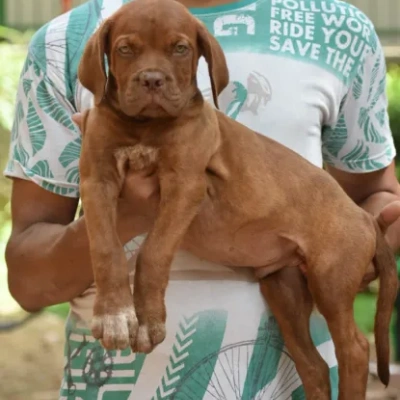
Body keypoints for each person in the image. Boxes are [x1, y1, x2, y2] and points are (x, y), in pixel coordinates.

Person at [4, 0, 400, 398]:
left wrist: (364, 244)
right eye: (127, 50)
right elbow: (27, 283)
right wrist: (129, 210)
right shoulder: (63, 42)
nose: (152, 74)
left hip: (284, 376)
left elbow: (371, 198)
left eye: (178, 50)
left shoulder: (336, 28)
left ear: (207, 63)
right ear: (102, 61)